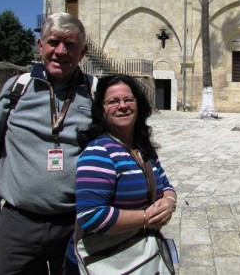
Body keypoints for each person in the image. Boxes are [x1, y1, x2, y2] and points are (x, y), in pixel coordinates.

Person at [0, 12, 94, 274]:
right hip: (19, 224)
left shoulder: (95, 94)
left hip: (76, 225)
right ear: (40, 46)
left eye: (70, 44)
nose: (60, 51)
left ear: (83, 52)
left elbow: (121, 149)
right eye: (53, 42)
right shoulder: (16, 90)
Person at [69, 74, 176, 273]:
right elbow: (90, 216)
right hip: (113, 260)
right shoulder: (98, 152)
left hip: (145, 254)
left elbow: (166, 184)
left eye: (128, 99)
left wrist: (169, 202)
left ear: (138, 104)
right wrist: (146, 217)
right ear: (101, 109)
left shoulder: (142, 149)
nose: (123, 106)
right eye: (113, 101)